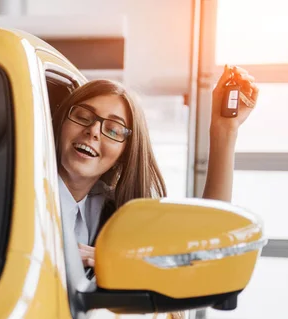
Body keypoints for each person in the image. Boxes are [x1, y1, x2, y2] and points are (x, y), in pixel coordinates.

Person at [54, 65, 258, 268]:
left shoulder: (115, 213)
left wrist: (224, 129)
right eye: (82, 117)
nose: (94, 131)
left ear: (125, 154)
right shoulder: (24, 193)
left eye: (114, 130)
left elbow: (208, 245)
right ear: (61, 123)